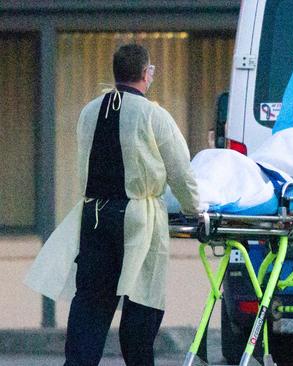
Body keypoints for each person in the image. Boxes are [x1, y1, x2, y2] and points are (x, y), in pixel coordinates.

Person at [25, 44, 200, 366]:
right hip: (137, 216)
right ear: (147, 74)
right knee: (141, 298)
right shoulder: (153, 115)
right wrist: (195, 210)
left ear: (116, 72)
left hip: (93, 214)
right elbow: (180, 171)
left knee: (90, 301)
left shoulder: (90, 111)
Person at [165, 105, 293, 215]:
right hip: (257, 167)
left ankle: (188, 196)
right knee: (212, 156)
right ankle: (183, 191)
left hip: (272, 182)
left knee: (227, 164)